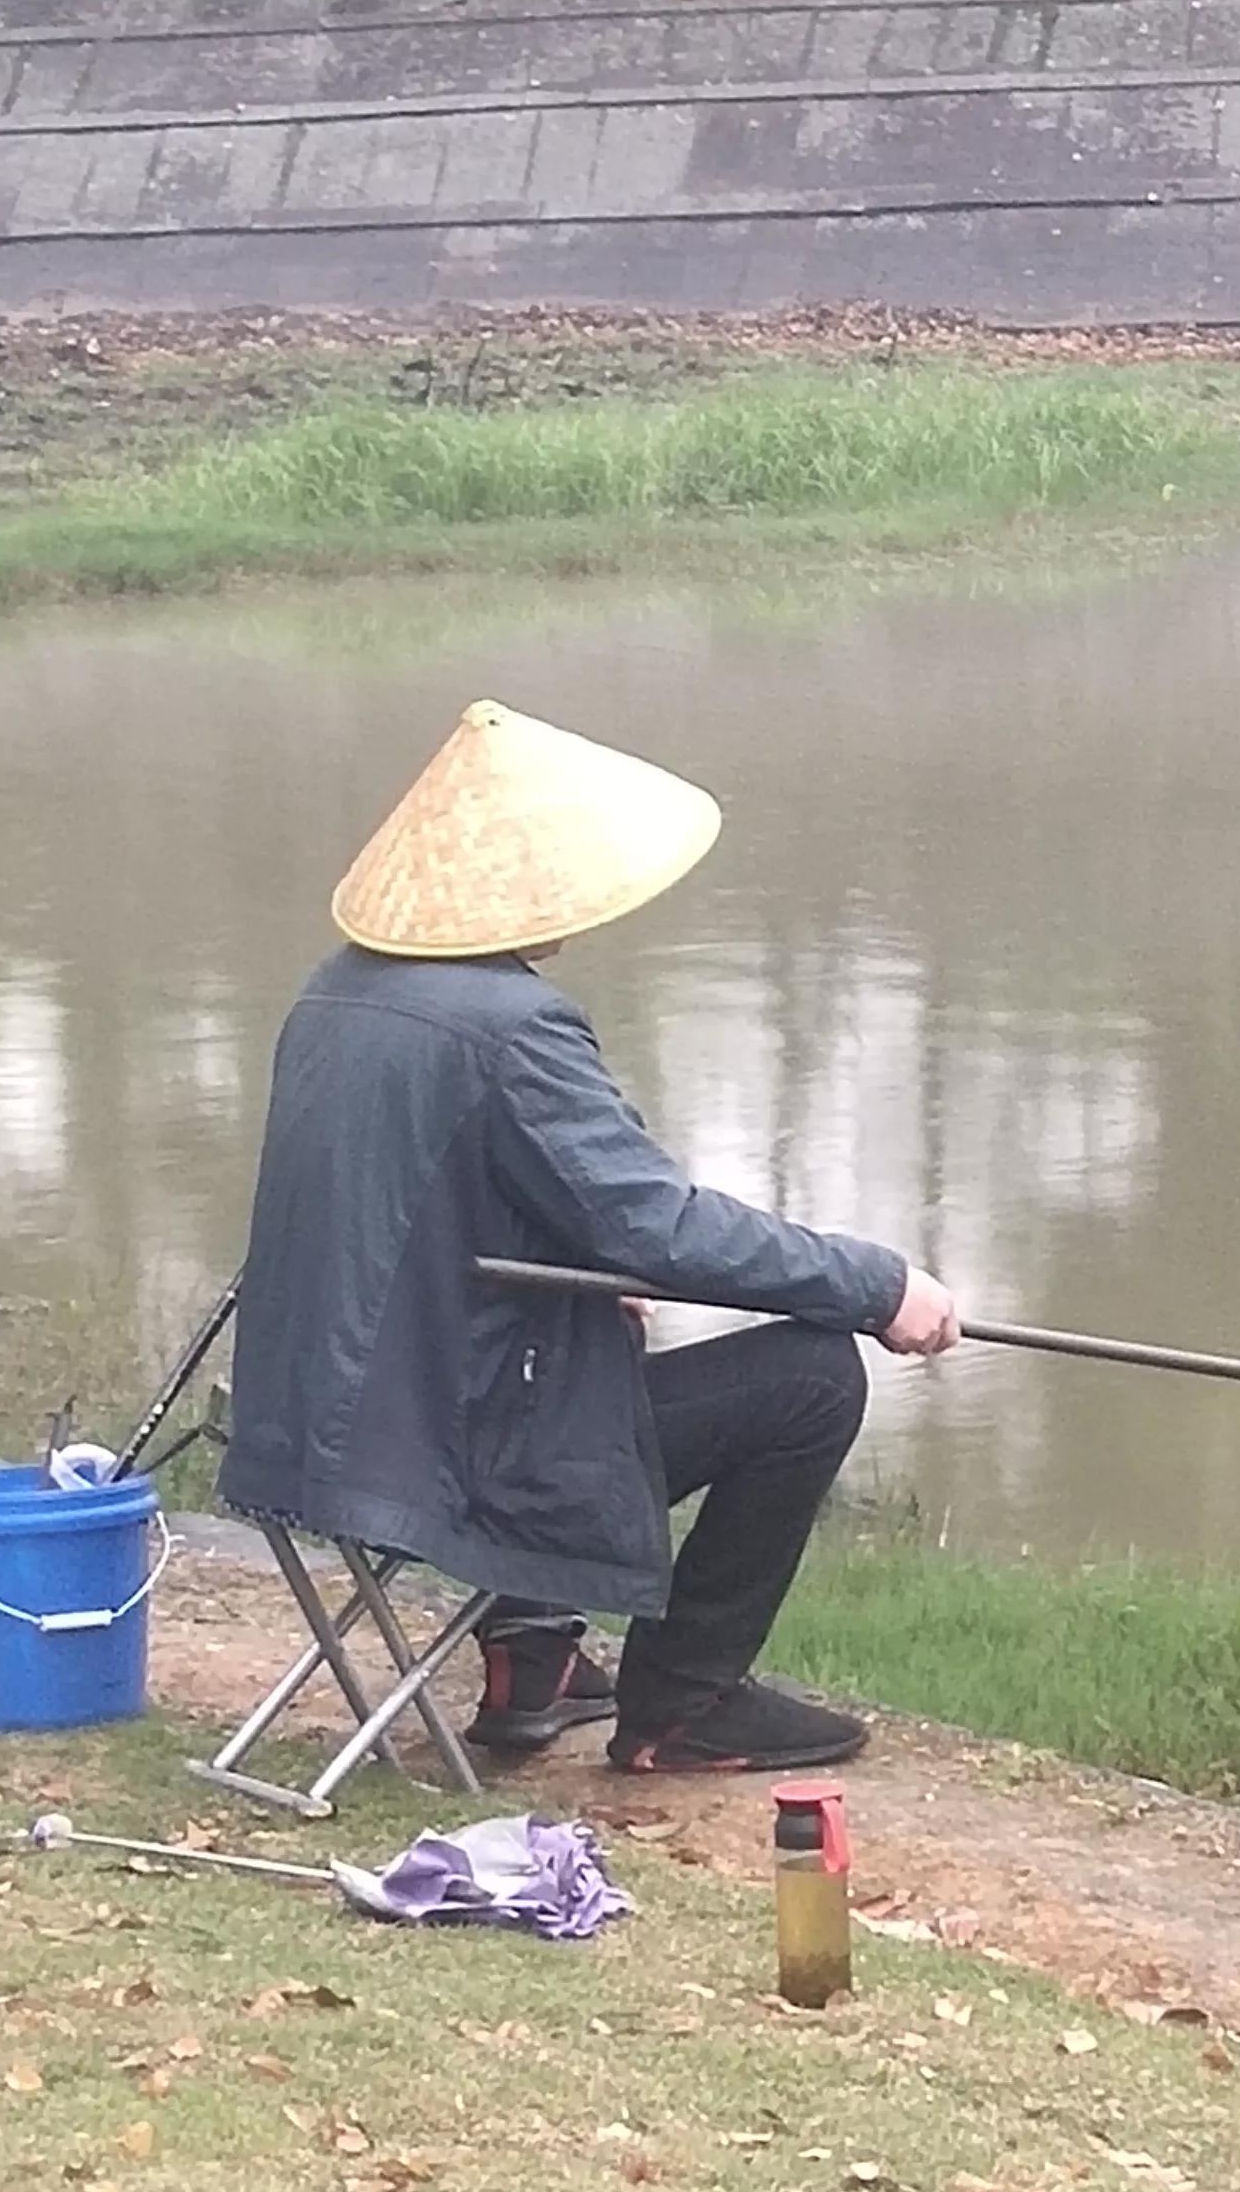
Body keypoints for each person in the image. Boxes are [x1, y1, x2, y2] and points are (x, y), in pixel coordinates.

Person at [219, 696, 960, 1776]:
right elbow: (656, 1223)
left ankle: (534, 1665)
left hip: (306, 1436)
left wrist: (585, 1278)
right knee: (810, 1376)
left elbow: (449, 1221)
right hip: (431, 1456)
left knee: (588, 1327)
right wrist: (876, 1284)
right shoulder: (512, 1027)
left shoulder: (336, 994)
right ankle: (686, 1703)